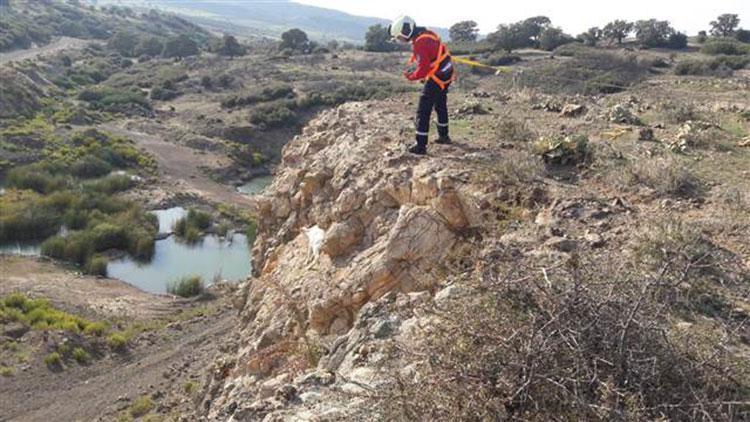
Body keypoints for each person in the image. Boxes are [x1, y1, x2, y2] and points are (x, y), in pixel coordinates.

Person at [390, 15, 454, 155]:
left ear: (406, 32)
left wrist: (411, 77)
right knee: (440, 103)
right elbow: (430, 60)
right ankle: (444, 136)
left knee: (423, 110)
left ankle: (420, 145)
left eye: (399, 37)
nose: (400, 40)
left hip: (438, 76)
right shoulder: (426, 34)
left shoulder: (420, 42)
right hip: (446, 73)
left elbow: (423, 69)